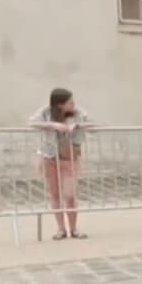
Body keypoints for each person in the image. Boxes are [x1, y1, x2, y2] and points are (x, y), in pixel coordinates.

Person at [28, 88, 94, 240]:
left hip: (68, 156)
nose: (73, 104)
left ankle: (74, 228)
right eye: (70, 102)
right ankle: (60, 229)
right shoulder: (45, 112)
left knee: (70, 194)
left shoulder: (78, 113)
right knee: (54, 193)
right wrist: (53, 125)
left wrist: (77, 125)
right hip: (49, 156)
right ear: (60, 105)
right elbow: (31, 122)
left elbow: (94, 125)